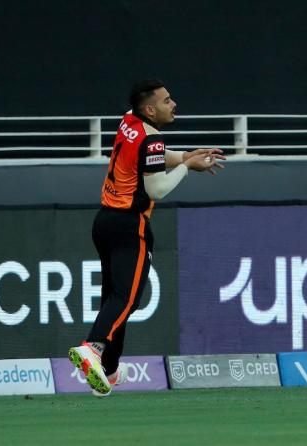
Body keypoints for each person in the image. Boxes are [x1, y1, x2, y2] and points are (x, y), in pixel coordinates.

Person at [68, 78, 224, 395]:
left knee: (116, 298)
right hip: (130, 225)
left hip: (105, 221)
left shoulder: (130, 120)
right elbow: (158, 189)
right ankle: (92, 349)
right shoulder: (151, 140)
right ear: (150, 108)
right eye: (167, 100)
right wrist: (187, 167)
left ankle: (108, 371)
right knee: (126, 299)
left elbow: (150, 152)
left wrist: (182, 157)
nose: (174, 103)